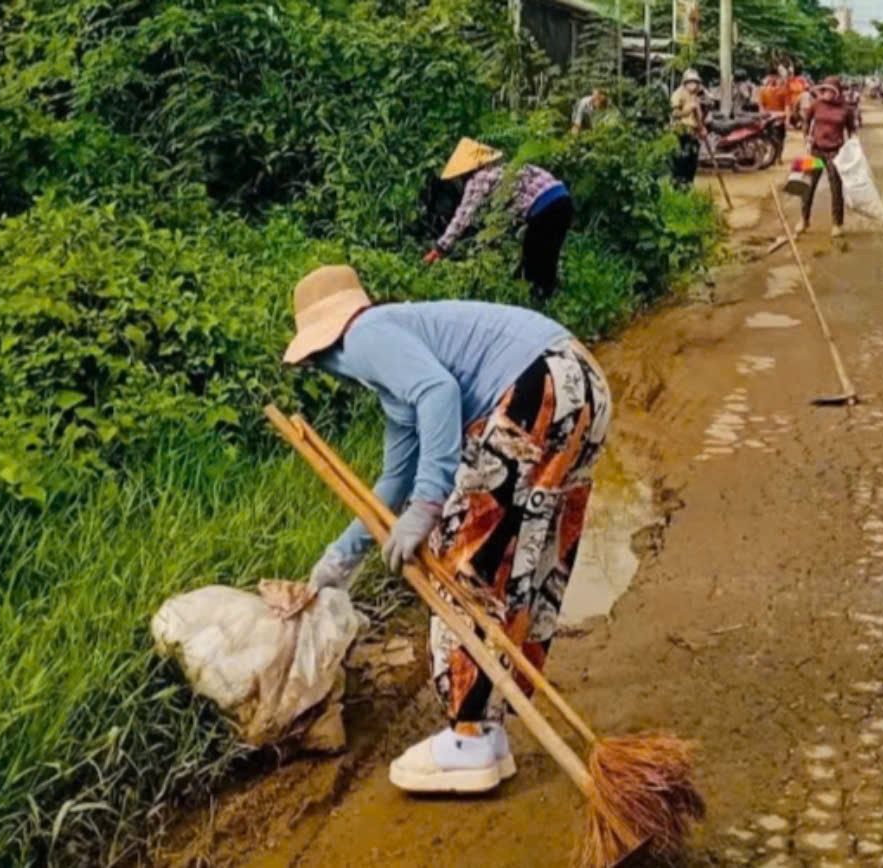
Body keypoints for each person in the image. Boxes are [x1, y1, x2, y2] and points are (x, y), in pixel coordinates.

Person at [289, 265, 612, 794]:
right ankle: (489, 730)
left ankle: (469, 740)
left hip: (534, 389)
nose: (328, 369)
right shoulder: (402, 353)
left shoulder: (365, 333)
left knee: (464, 570)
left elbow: (439, 393)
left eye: (320, 360)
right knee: (519, 567)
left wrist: (428, 504)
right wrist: (339, 559)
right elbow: (393, 477)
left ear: (324, 344)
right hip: (580, 386)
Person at [426, 138, 572, 303]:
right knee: (547, 255)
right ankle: (551, 299)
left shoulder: (480, 178)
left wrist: (440, 249)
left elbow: (463, 216)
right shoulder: (505, 170)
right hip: (563, 199)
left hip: (545, 207)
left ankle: (537, 303)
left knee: (533, 262)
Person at [802, 75, 857, 238]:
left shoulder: (846, 109)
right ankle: (803, 220)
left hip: (835, 152)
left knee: (836, 188)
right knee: (807, 185)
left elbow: (852, 130)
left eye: (831, 91)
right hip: (815, 150)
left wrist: (853, 148)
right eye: (825, 90)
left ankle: (837, 224)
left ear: (838, 92)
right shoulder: (816, 104)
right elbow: (806, 120)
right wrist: (806, 136)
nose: (827, 93)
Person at [670, 68, 705, 185]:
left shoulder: (695, 96)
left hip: (693, 133)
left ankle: (688, 186)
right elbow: (675, 114)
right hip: (681, 132)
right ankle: (679, 188)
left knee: (692, 164)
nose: (693, 85)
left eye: (695, 82)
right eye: (690, 82)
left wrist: (702, 128)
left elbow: (698, 116)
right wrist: (688, 110)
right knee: (681, 163)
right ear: (685, 82)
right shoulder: (678, 94)